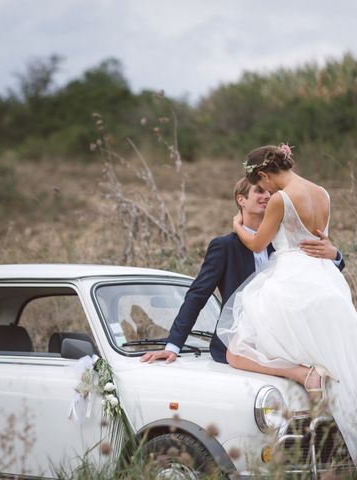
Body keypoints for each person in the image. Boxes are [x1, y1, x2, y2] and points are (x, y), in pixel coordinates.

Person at [217, 144, 357, 464]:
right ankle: (330, 451)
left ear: (264, 174)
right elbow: (322, 239)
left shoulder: (281, 199)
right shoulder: (323, 192)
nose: (263, 191)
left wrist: (238, 223)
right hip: (326, 282)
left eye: (261, 184)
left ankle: (306, 377)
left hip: (292, 282)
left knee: (236, 351)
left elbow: (257, 242)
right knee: (341, 366)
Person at [141, 176, 344, 365]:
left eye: (270, 193)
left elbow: (317, 275)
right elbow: (198, 295)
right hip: (237, 342)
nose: (267, 196)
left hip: (285, 340)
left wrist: (334, 255)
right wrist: (173, 345)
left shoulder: (284, 244)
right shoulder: (224, 246)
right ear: (241, 200)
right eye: (258, 191)